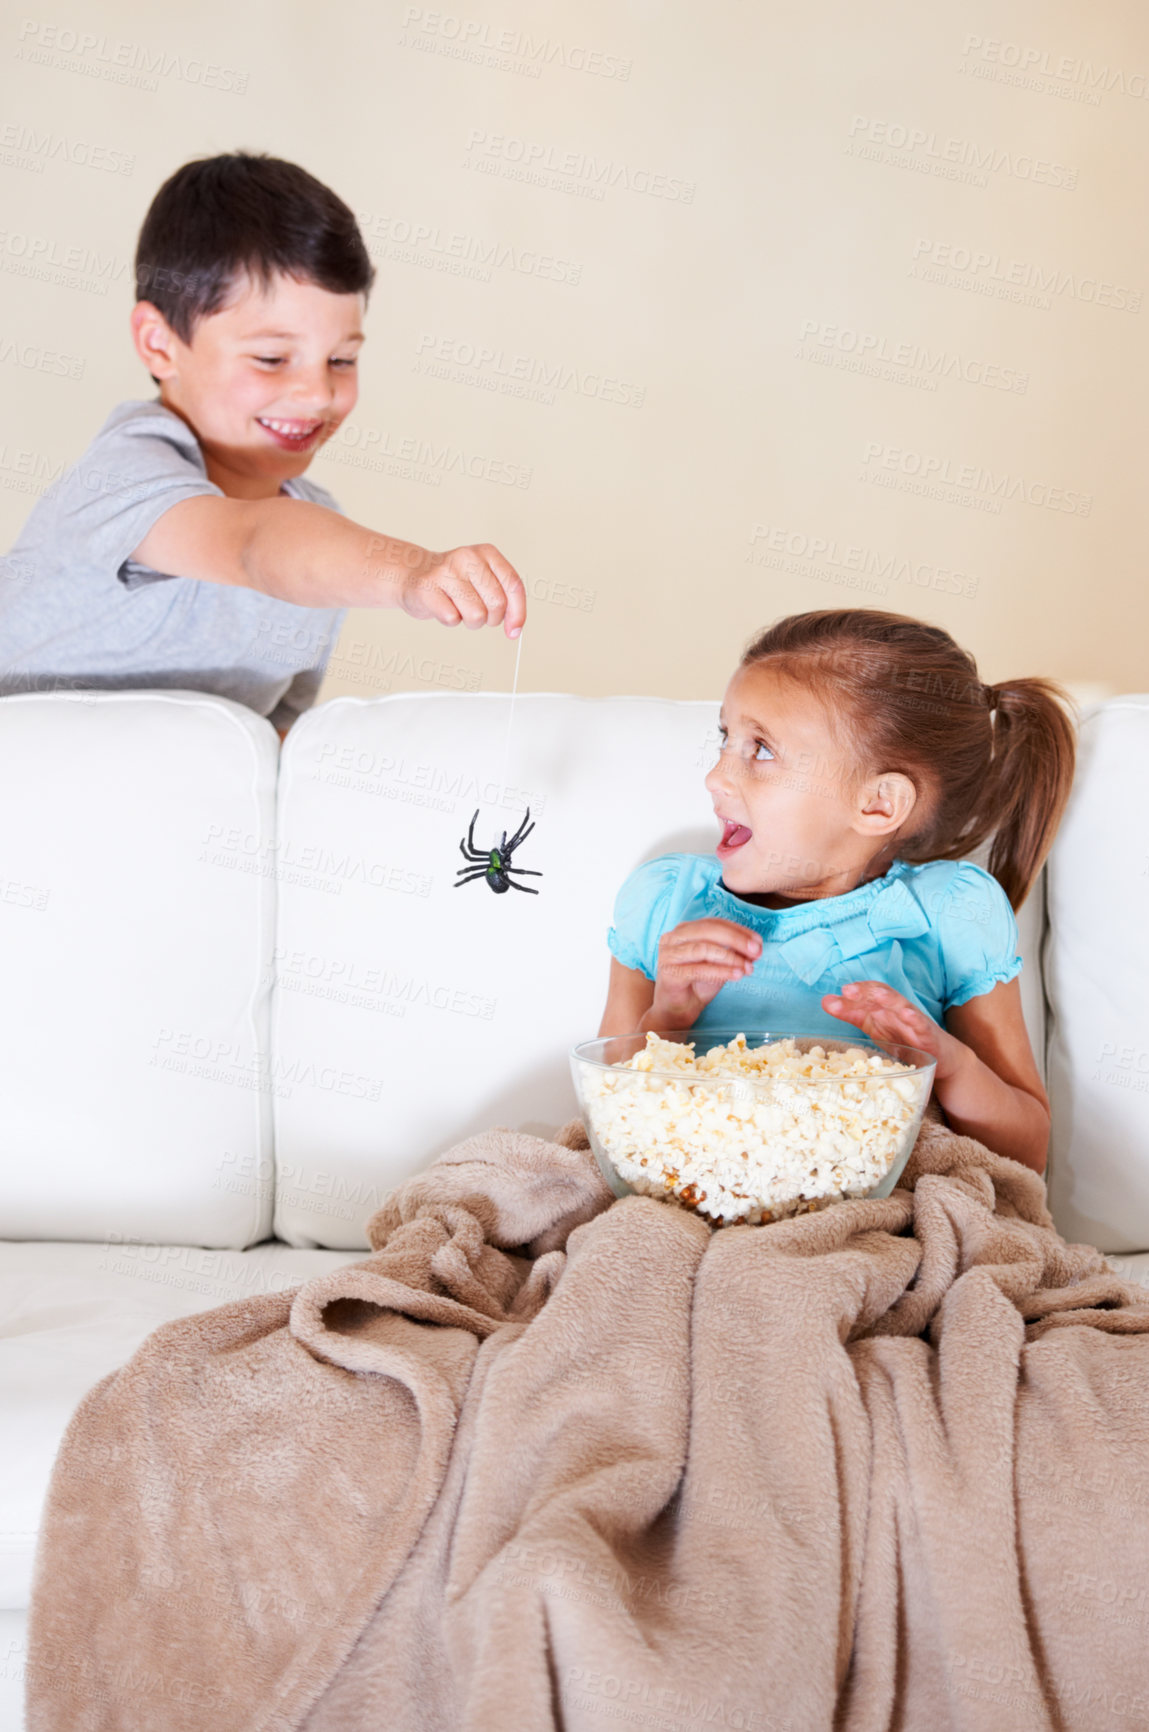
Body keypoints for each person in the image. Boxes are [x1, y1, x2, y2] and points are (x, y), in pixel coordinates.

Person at [0, 152, 525, 736]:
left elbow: (271, 739)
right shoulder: (123, 476)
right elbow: (253, 543)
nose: (317, 393)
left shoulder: (323, 538)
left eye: (342, 360)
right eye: (272, 359)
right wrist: (410, 573)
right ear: (159, 344)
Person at [598, 609, 1077, 1174]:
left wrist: (948, 1064)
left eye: (762, 750)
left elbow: (1026, 1153)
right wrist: (669, 1016)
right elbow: (608, 1120)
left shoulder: (949, 913)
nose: (716, 777)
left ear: (877, 804)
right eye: (726, 738)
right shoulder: (666, 901)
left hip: (871, 1212)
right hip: (697, 1193)